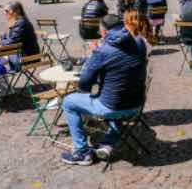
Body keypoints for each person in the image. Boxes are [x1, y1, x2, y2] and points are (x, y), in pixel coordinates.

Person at [61, 14, 148, 166]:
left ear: (103, 32)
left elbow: (85, 84)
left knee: (68, 102)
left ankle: (82, 153)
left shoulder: (104, 51)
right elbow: (122, 67)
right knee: (118, 95)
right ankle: (107, 143)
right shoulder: (139, 42)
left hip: (113, 107)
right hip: (136, 104)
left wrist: (95, 55)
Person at [0, 1, 39, 71]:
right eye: (4, 11)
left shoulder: (21, 23)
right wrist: (1, 37)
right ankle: (3, 79)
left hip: (27, 58)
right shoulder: (16, 21)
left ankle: (2, 80)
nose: (5, 13)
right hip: (23, 54)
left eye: (7, 11)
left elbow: (11, 42)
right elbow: (10, 37)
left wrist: (0, 42)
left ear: (16, 11)